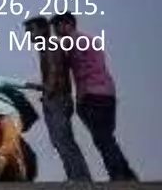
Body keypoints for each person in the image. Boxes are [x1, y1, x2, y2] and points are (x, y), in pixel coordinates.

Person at [55, 13, 136, 181]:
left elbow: (71, 64)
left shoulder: (73, 40)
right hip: (107, 94)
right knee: (106, 137)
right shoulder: (89, 40)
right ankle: (127, 174)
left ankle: (118, 174)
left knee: (103, 138)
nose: (55, 30)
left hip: (91, 95)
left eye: (58, 25)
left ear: (68, 24)